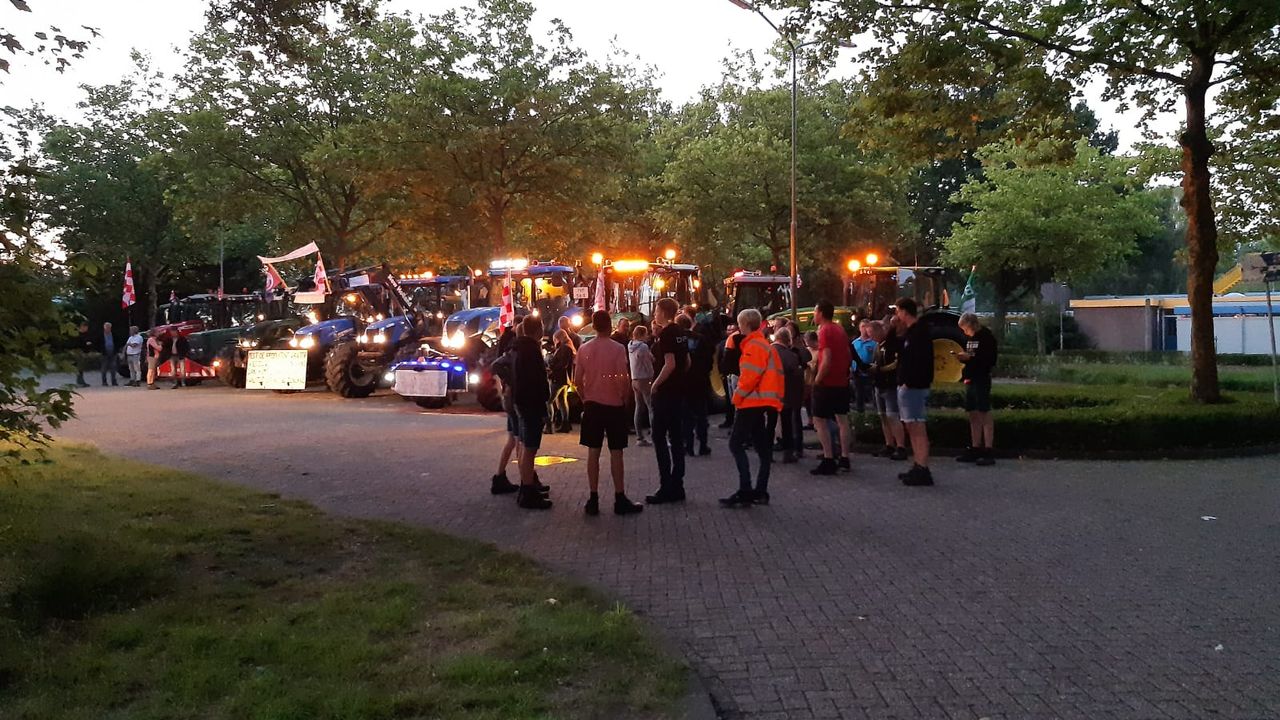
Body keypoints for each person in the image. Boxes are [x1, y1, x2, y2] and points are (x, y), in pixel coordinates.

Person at [575, 310, 644, 516]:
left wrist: (584, 397)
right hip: (613, 405)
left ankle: (593, 497)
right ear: (610, 326)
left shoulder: (584, 349)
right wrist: (623, 396)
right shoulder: (617, 349)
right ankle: (619, 496)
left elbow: (577, 379)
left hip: (592, 405)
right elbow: (622, 377)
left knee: (593, 452)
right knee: (616, 452)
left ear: (594, 326)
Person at [720, 309, 784, 507]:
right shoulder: (764, 344)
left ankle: (745, 490)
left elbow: (749, 377)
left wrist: (736, 398)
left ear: (745, 324)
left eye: (739, 324)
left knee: (735, 444)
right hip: (763, 402)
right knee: (763, 449)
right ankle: (760, 491)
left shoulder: (752, 346)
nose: (738, 327)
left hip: (751, 402)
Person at [645, 297, 689, 505]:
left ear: (663, 312)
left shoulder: (667, 334)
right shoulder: (681, 332)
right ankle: (678, 484)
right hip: (679, 392)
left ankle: (665, 486)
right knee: (677, 439)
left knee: (659, 437)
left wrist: (656, 384)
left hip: (666, 394)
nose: (654, 313)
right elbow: (686, 361)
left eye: (656, 310)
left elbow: (669, 363)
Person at [513, 314, 553, 509]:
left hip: (521, 402)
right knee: (530, 448)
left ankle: (525, 484)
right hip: (531, 404)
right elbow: (536, 381)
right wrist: (543, 404)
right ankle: (528, 489)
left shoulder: (518, 348)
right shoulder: (531, 351)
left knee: (524, 445)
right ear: (539, 330)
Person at [895, 297, 935, 486]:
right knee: (912, 427)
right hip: (910, 386)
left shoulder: (919, 333)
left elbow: (919, 361)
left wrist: (908, 382)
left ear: (904, 311)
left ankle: (923, 467)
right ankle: (918, 464)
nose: (897, 315)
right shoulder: (912, 332)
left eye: (898, 311)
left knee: (917, 428)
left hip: (914, 387)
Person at [810, 301, 853, 475]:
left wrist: (817, 380)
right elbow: (848, 354)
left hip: (827, 383)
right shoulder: (840, 329)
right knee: (842, 420)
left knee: (819, 420)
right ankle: (844, 457)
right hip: (841, 381)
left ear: (820, 313)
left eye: (815, 311)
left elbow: (826, 359)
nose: (814, 314)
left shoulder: (824, 331)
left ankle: (828, 458)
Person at [955, 312, 998, 466]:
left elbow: (990, 359)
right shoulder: (971, 338)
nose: (964, 331)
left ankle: (988, 449)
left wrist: (970, 358)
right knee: (973, 413)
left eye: (964, 328)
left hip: (981, 378)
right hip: (971, 378)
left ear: (971, 324)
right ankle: (975, 446)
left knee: (984, 412)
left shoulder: (986, 337)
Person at [488, 325, 522, 495]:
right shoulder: (517, 351)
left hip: (511, 399)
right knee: (520, 440)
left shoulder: (512, 350)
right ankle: (527, 479)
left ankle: (501, 476)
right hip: (516, 400)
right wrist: (510, 380)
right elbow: (496, 365)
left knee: (514, 440)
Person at [869, 320, 908, 460]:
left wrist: (879, 369)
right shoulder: (878, 346)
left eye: (872, 334)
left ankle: (901, 446)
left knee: (892, 416)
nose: (871, 337)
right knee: (883, 416)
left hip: (889, 384)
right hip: (879, 384)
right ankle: (889, 444)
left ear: (880, 331)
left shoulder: (892, 344)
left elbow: (896, 363)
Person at [677, 314, 712, 457]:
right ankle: (703, 445)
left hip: (684, 383)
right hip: (700, 382)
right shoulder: (701, 339)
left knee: (686, 417)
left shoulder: (678, 340)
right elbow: (709, 359)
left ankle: (688, 446)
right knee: (701, 415)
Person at [772, 327, 805, 464]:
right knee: (787, 424)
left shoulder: (766, 351)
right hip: (785, 395)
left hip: (767, 395)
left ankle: (767, 453)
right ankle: (788, 453)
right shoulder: (790, 356)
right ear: (788, 340)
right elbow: (797, 377)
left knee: (770, 424)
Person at [629, 324, 655, 447]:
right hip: (645, 378)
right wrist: (653, 376)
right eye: (646, 334)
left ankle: (640, 437)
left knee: (638, 407)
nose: (648, 336)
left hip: (634, 379)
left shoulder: (630, 345)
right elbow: (648, 364)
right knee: (651, 407)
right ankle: (656, 435)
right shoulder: (643, 347)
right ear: (642, 334)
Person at [548, 329, 576, 433]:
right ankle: (565, 423)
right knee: (562, 401)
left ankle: (549, 423)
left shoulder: (564, 348)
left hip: (558, 378)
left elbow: (561, 364)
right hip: (565, 379)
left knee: (548, 400)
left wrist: (552, 365)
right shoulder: (569, 347)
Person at [851, 319, 877, 414]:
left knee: (873, 394)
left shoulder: (874, 343)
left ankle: (875, 414)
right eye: (862, 327)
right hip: (857, 372)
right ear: (859, 328)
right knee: (859, 394)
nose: (864, 329)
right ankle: (860, 415)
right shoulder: (855, 343)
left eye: (866, 327)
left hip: (870, 371)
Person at [717, 328, 741, 429]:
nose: (730, 330)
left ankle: (735, 424)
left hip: (735, 374)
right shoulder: (724, 343)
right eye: (727, 329)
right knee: (730, 400)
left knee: (736, 402)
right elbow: (721, 358)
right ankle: (730, 420)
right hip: (730, 374)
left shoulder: (733, 341)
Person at [100, 321, 118, 387]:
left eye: (109, 327)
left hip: (113, 352)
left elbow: (117, 342)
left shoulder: (114, 334)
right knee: (104, 368)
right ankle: (104, 382)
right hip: (104, 353)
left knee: (113, 368)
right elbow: (98, 343)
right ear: (104, 328)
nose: (108, 329)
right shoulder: (101, 335)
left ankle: (114, 381)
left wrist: (116, 350)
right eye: (107, 327)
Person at [74, 322, 92, 387]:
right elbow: (77, 344)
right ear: (83, 327)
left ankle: (81, 381)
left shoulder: (86, 334)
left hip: (84, 352)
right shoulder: (77, 335)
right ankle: (79, 382)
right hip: (79, 352)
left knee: (81, 368)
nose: (87, 329)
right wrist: (85, 343)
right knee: (79, 367)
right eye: (86, 328)